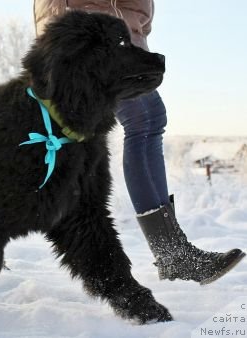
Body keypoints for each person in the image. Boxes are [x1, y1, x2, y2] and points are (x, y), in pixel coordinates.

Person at [33, 0, 245, 284]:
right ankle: (173, 253)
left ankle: (173, 252)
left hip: (116, 35)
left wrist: (138, 30)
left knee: (149, 120)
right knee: (143, 121)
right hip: (93, 38)